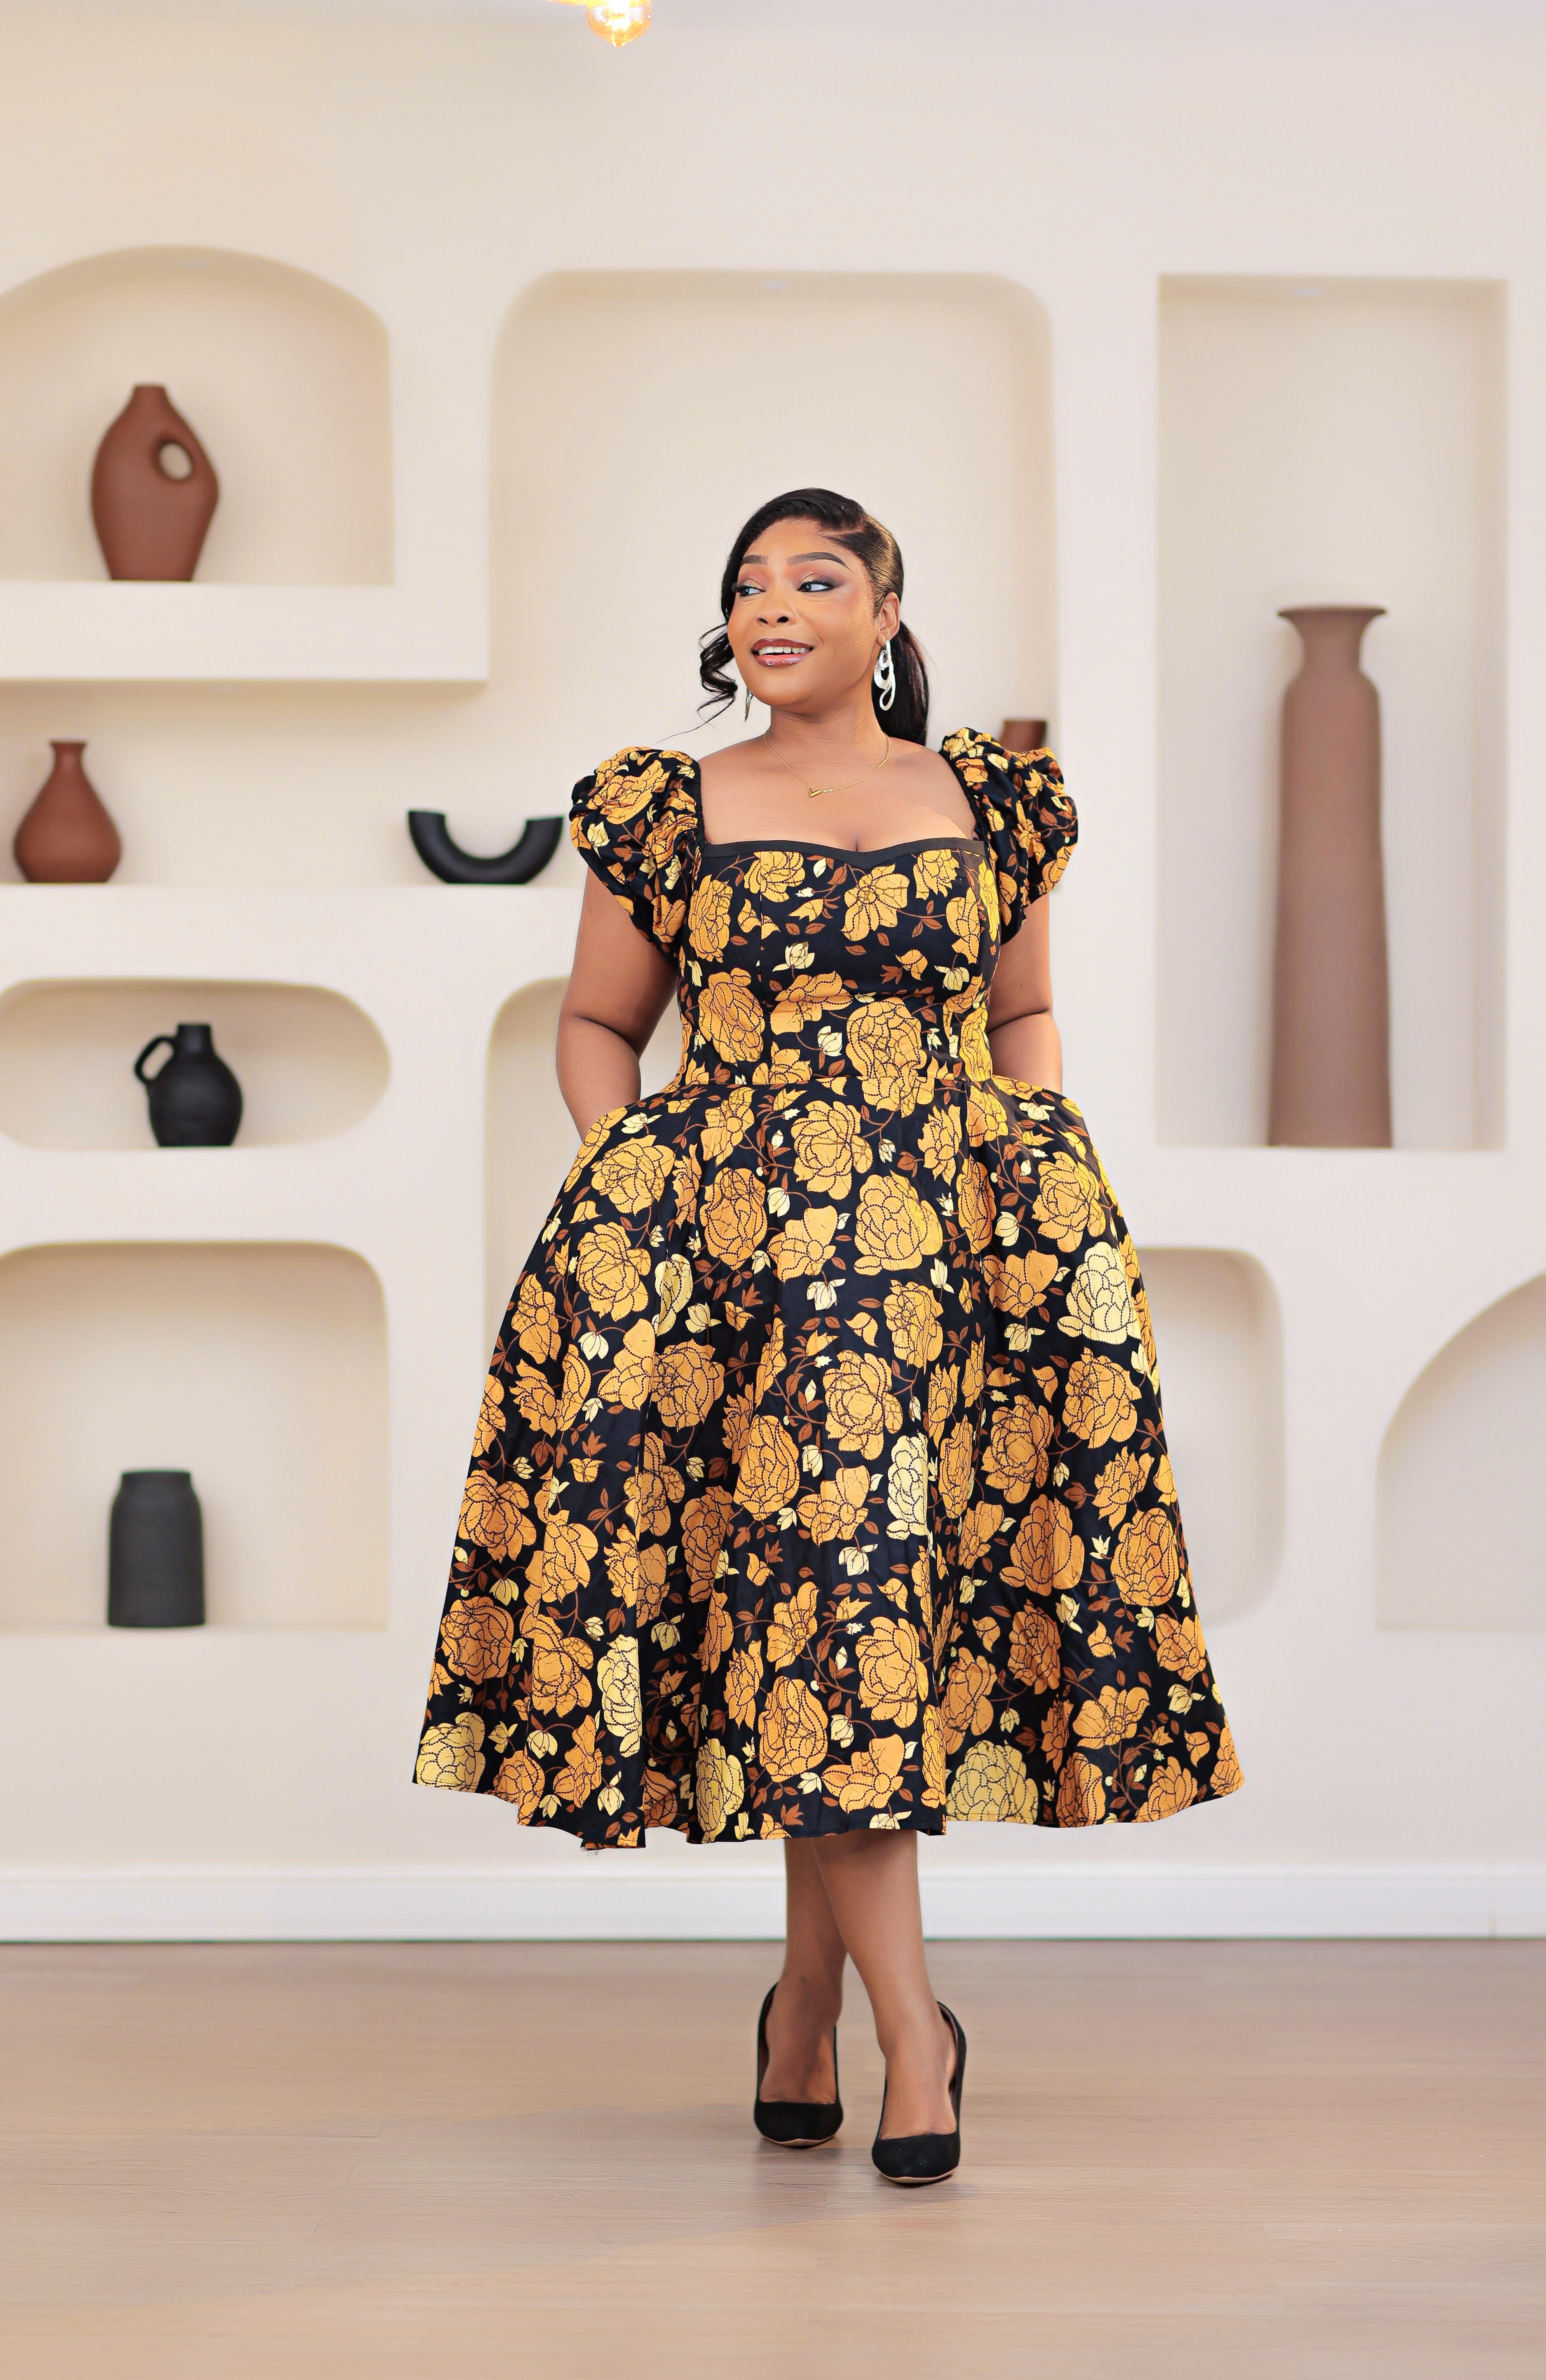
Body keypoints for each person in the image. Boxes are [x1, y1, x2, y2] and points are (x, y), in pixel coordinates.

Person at [415, 487, 1242, 2185]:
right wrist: (632, 1176)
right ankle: (907, 2042)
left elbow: (1018, 1013)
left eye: (812, 579)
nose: (768, 607)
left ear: (886, 619)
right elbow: (594, 1022)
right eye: (743, 586)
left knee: (848, 1629)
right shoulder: (665, 805)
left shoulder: (990, 802)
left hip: (942, 1266)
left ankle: (808, 2009)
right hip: (731, 1273)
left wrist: (1031, 1183)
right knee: (819, 1626)